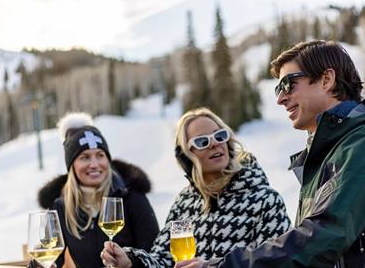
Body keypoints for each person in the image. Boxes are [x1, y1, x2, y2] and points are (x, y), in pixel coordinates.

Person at [175, 40, 365, 268]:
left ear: (327, 79)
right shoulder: (334, 150)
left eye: (288, 84)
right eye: (278, 90)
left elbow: (322, 236)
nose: (281, 98)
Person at [100, 107, 291, 268]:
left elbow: (278, 261)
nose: (215, 143)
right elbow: (163, 260)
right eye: (202, 141)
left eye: (219, 135)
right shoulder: (184, 203)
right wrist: (131, 262)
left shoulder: (265, 200)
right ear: (185, 156)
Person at [32, 112, 160, 268]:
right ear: (72, 166)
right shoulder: (60, 207)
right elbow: (50, 257)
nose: (94, 164)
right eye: (85, 157)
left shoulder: (131, 197)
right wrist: (39, 264)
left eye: (100, 155)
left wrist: (130, 263)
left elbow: (156, 257)